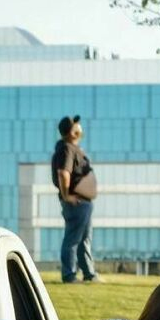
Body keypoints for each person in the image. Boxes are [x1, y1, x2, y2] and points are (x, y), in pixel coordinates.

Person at [51, 114, 100, 283]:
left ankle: (88, 273)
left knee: (84, 239)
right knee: (73, 239)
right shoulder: (66, 149)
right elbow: (63, 173)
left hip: (83, 202)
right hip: (76, 201)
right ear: (71, 132)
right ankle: (69, 274)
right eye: (77, 126)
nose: (80, 129)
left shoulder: (72, 148)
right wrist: (67, 196)